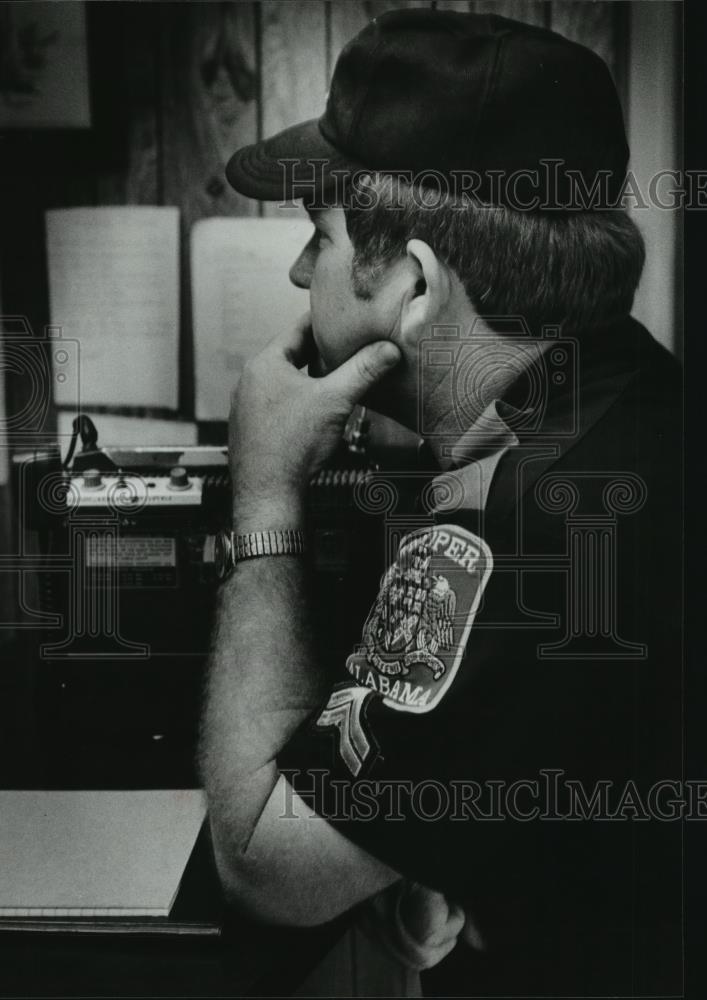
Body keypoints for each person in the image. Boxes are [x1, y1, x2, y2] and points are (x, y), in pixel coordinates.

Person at [199, 8, 682, 995]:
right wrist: (430, 845)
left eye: (317, 236)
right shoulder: (621, 398)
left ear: (412, 285)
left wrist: (265, 495)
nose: (300, 273)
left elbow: (260, 859)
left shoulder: (535, 522)